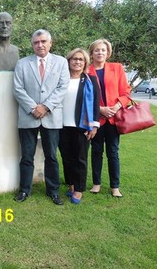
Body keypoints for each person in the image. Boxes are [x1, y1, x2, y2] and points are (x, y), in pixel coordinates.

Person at [12, 29, 70, 205]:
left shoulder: (60, 62)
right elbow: (17, 89)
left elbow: (62, 87)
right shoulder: (22, 63)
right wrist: (33, 108)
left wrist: (45, 107)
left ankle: (53, 191)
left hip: (51, 116)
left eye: (43, 41)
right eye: (36, 42)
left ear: (50, 43)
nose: (40, 45)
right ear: (32, 45)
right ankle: (24, 190)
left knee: (51, 156)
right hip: (28, 116)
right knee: (26, 156)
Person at [87, 39, 131, 197]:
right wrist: (100, 110)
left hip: (113, 118)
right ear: (91, 53)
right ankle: (96, 184)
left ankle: (115, 187)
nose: (100, 53)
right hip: (95, 119)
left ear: (108, 53)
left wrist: (117, 107)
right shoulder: (86, 70)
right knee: (96, 151)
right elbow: (84, 97)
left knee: (113, 152)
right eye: (97, 50)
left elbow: (126, 93)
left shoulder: (117, 68)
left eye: (103, 50)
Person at [59, 48, 100, 204]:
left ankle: (79, 190)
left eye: (81, 59)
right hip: (61, 124)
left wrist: (94, 126)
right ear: (68, 61)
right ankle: (71, 185)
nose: (77, 62)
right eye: (74, 59)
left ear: (85, 63)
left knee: (80, 158)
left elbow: (96, 104)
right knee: (66, 157)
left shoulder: (91, 80)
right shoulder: (61, 79)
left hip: (82, 126)